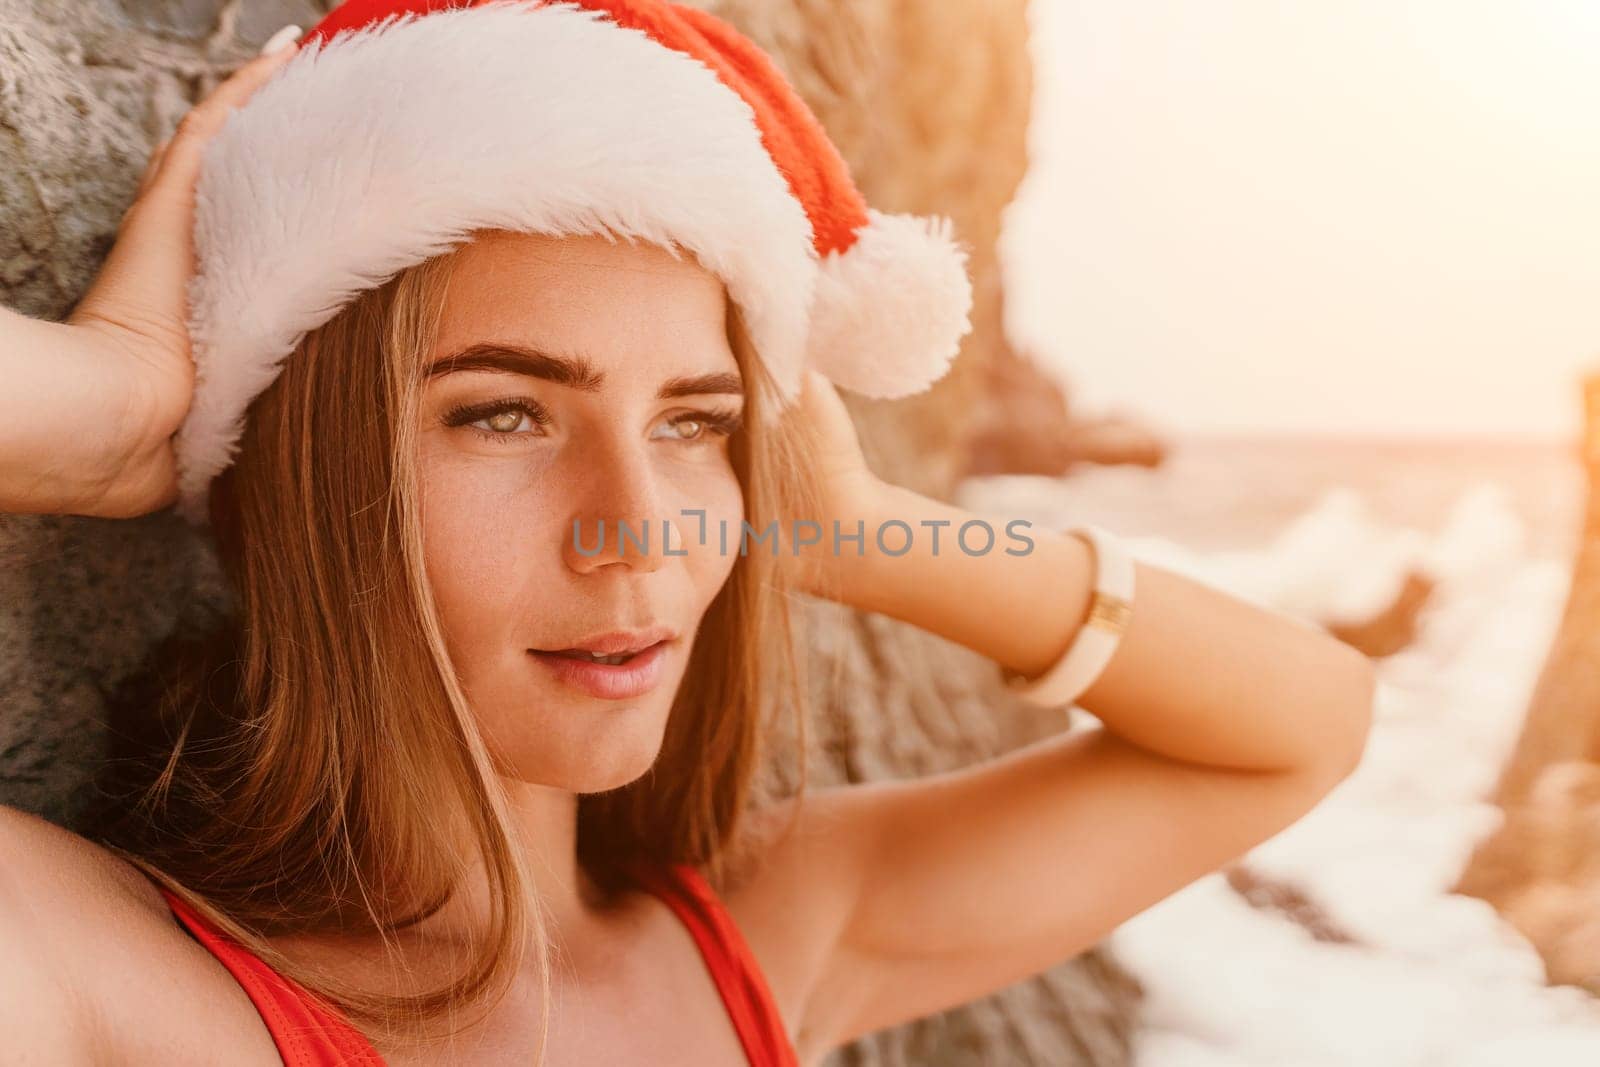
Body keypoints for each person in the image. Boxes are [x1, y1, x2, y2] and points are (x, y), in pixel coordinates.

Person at [0, 3, 1376, 1065]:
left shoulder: (774, 934)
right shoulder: (89, 969)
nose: (636, 534)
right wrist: (106, 413)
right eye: (503, 417)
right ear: (291, 475)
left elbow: (1301, 723)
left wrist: (865, 534)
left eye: (693, 422)